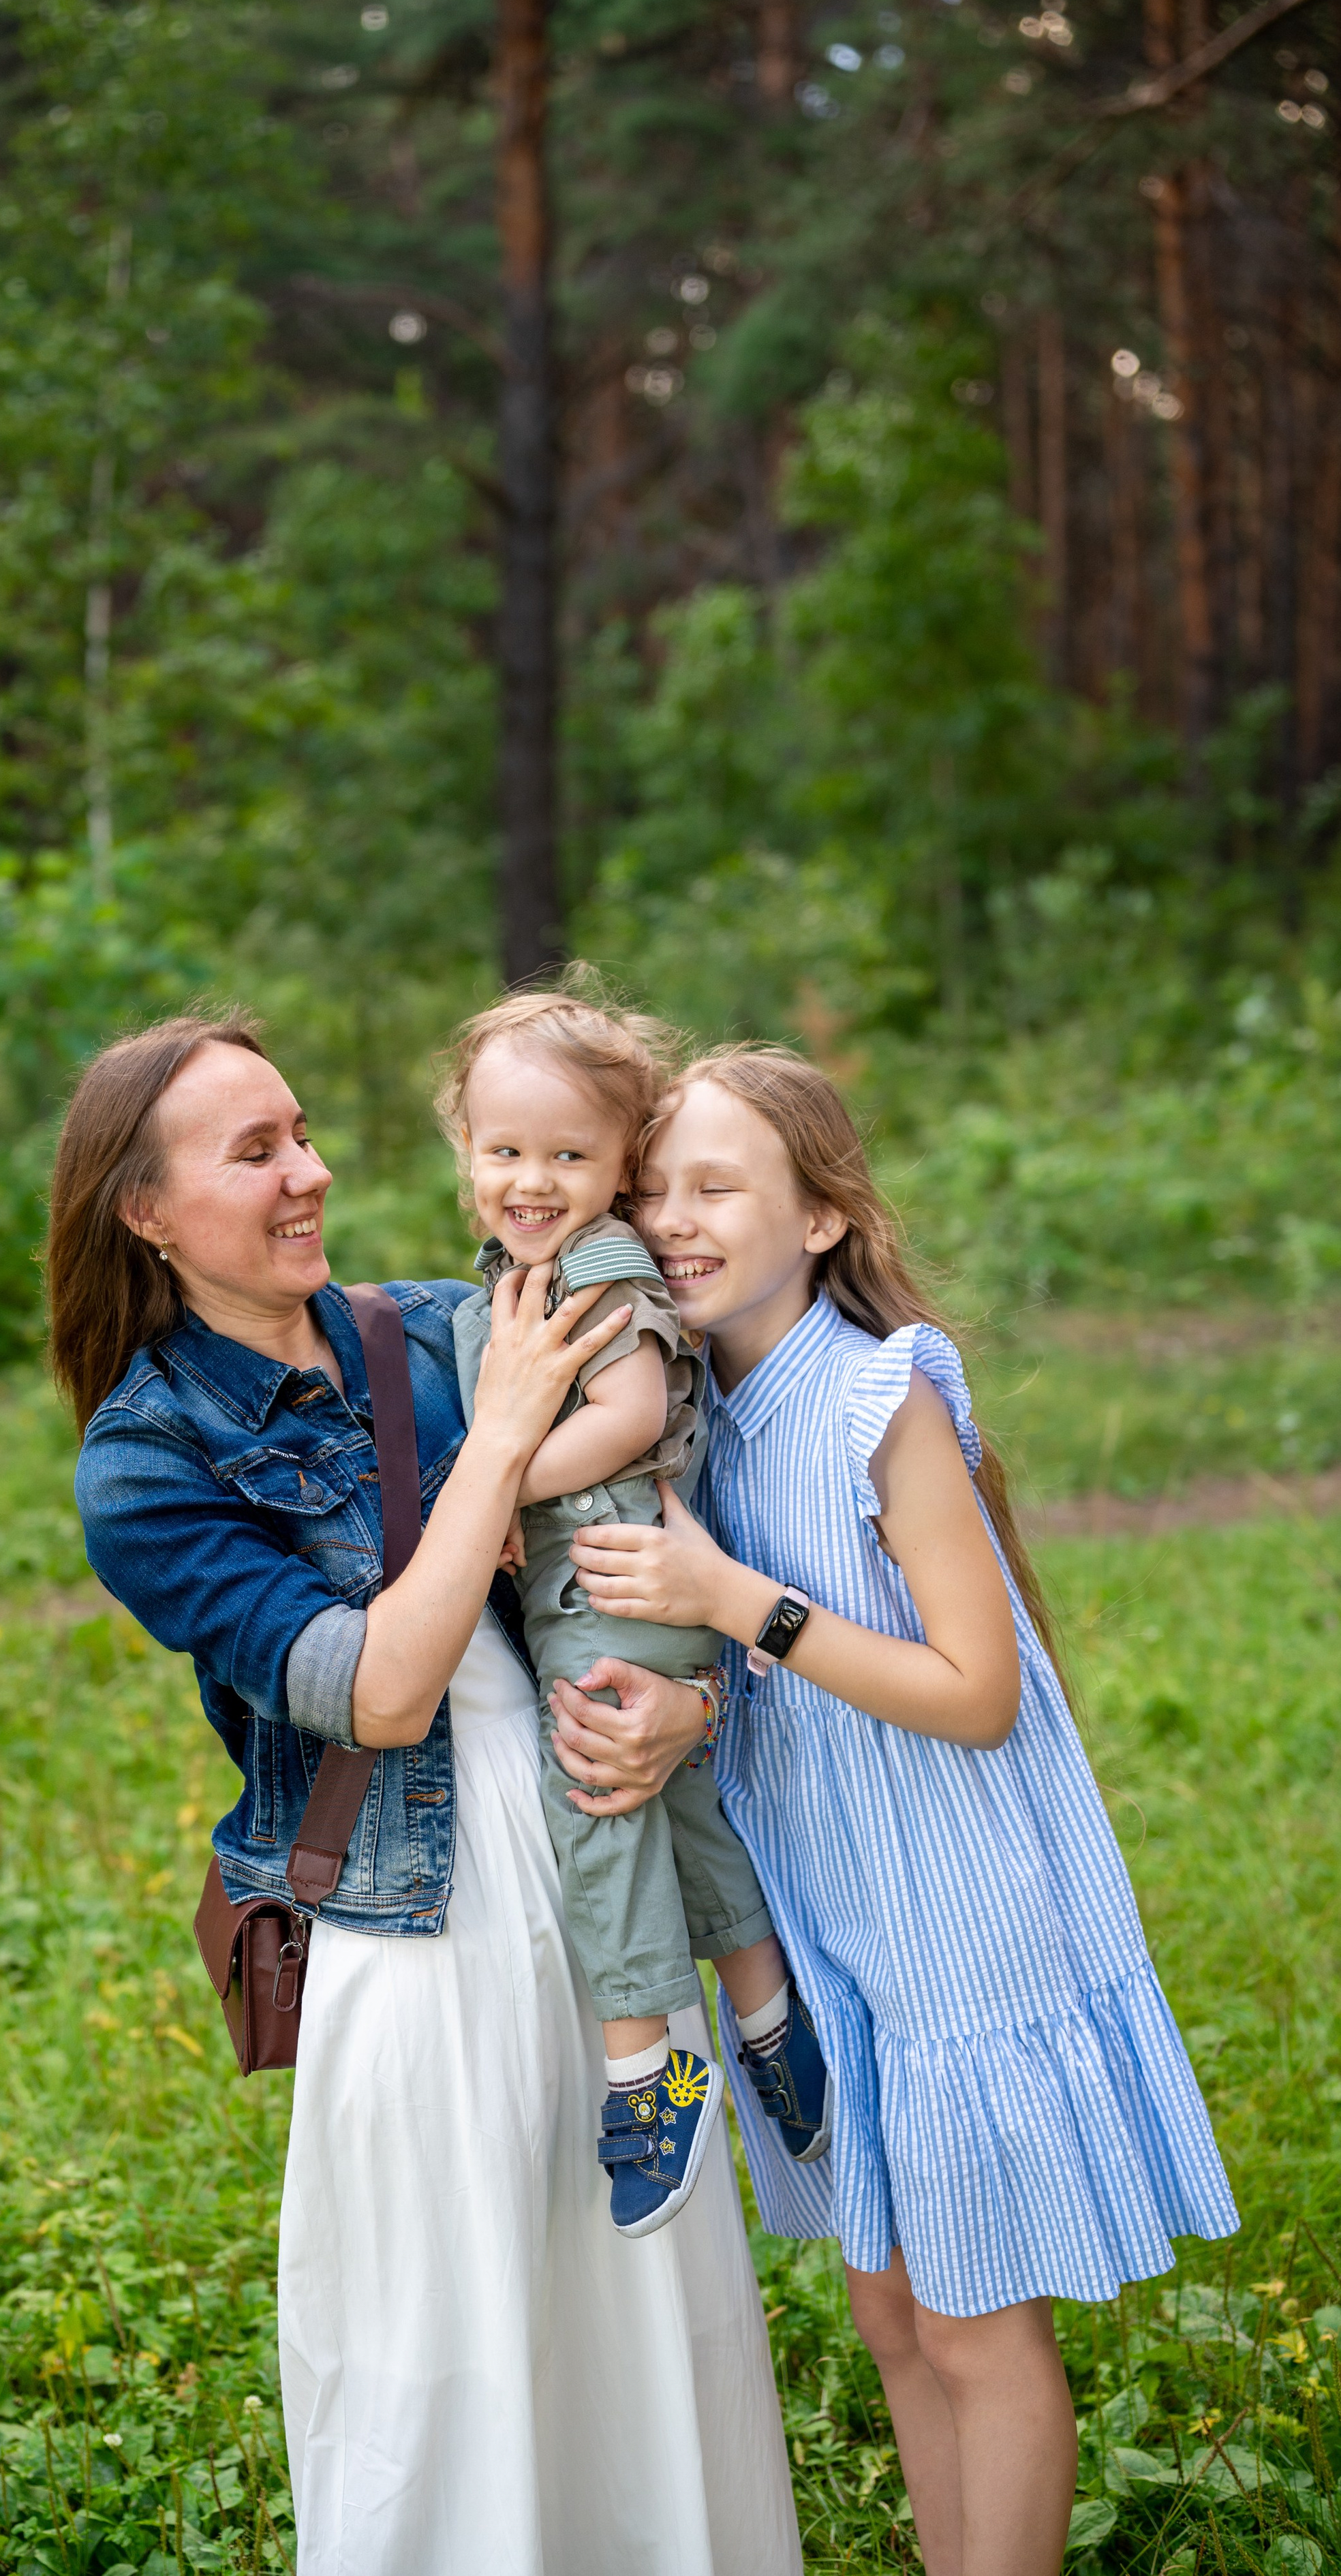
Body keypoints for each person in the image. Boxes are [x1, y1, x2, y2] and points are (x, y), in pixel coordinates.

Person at [50, 1012, 801, 2576]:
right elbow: (384, 1688)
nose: (309, 1172)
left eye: (304, 1129)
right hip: (410, 1930)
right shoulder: (147, 1460)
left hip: (597, 1875)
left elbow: (659, 1514)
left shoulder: (446, 1329)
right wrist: (509, 1431)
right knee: (439, 2362)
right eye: (254, 1151)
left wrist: (690, 1700)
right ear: (142, 1209)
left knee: (641, 2339)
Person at [559, 1044, 1237, 2576]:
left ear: (817, 1217)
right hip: (824, 1905)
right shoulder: (687, 1413)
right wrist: (695, 1693)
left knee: (969, 2311)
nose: (670, 1217)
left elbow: (972, 1689)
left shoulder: (879, 1395)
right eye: (652, 1187)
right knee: (885, 2306)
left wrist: (738, 1603)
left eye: (716, 1186)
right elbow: (758, 1667)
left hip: (953, 1906)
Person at [440, 990, 828, 2235]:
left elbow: (632, 1418)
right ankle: (771, 2022)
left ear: (621, 1162)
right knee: (680, 1798)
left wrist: (493, 1480)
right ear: (465, 1150)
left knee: (597, 1798)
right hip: (606, 1582)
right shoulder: (518, 1271)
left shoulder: (598, 1261)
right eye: (505, 1151)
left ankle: (648, 2066)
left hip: (617, 1577)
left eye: (569, 1155)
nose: (532, 1179)